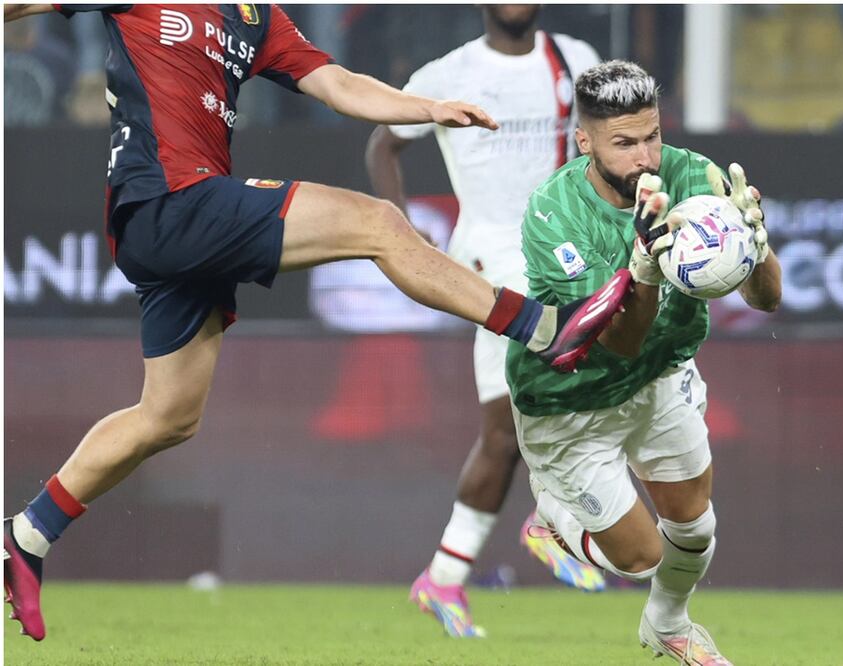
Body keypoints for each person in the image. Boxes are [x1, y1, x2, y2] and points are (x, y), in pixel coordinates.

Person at [1, 3, 633, 642]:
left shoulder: (255, 16)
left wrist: (426, 108)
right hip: (167, 199)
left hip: (186, 224)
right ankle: (546, 328)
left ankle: (26, 536)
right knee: (379, 224)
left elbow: (337, 83)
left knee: (167, 417)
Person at [506, 60, 782, 663]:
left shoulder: (694, 175)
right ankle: (552, 516)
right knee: (640, 557)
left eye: (651, 136)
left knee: (694, 526)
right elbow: (617, 343)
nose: (645, 158)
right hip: (570, 397)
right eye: (624, 143)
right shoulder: (554, 214)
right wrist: (645, 269)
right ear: (586, 141)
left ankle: (668, 625)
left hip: (659, 374)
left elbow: (767, 301)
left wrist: (756, 247)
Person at [365, 4, 606, 638]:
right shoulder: (450, 73)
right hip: (492, 265)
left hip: (566, 258)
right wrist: (404, 230)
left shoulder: (575, 61)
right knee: (540, 406)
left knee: (505, 432)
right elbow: (383, 141)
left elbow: (614, 145)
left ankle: (444, 578)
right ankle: (549, 520)